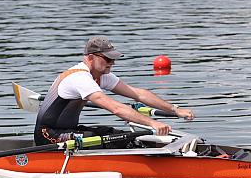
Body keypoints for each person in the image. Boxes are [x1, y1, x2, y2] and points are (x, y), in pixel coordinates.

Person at [34, 36, 195, 146]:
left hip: (69, 131)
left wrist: (175, 109)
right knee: (107, 140)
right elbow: (116, 108)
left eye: (113, 59)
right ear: (90, 57)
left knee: (117, 135)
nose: (112, 63)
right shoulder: (79, 78)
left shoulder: (101, 75)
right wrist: (153, 123)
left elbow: (138, 94)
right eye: (107, 59)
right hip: (48, 135)